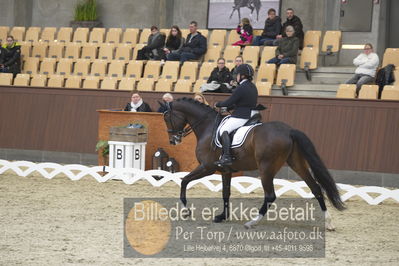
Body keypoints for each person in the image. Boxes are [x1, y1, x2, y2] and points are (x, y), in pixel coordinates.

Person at [214, 64, 258, 167]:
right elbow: (243, 102)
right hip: (251, 114)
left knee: (223, 130)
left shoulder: (241, 87)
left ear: (242, 76)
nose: (236, 77)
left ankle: (226, 157)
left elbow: (229, 101)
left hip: (241, 116)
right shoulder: (253, 86)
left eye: (237, 74)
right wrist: (231, 107)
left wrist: (218, 104)